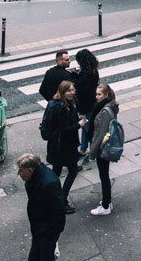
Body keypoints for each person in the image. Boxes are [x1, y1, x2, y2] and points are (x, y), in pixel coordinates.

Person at [17, 153, 66, 261]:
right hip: (40, 228)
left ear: (30, 170)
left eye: (21, 170)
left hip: (45, 230)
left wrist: (49, 234)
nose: (19, 174)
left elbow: (59, 211)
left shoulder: (48, 184)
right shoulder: (36, 178)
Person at [43, 81, 80, 215]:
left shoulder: (60, 103)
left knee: (56, 173)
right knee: (73, 170)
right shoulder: (61, 107)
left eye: (72, 90)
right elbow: (65, 130)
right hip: (64, 147)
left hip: (56, 146)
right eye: (69, 91)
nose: (72, 92)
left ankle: (52, 198)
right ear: (62, 92)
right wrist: (79, 124)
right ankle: (62, 201)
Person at [87, 82, 118, 216]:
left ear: (106, 95)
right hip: (104, 146)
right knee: (104, 174)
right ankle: (107, 202)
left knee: (104, 176)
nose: (96, 97)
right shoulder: (108, 106)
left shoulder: (105, 111)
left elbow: (101, 133)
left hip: (102, 148)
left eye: (99, 94)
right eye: (96, 94)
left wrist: (93, 151)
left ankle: (106, 205)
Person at [73, 49, 99, 157]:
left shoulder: (86, 72)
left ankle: (92, 149)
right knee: (86, 125)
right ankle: (84, 148)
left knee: (86, 127)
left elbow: (83, 88)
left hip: (85, 104)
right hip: (91, 102)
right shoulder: (93, 70)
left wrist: (75, 79)